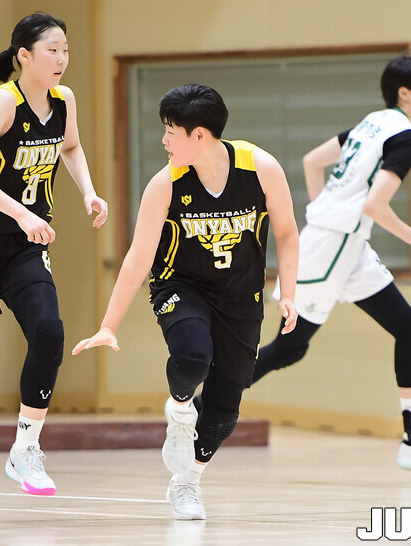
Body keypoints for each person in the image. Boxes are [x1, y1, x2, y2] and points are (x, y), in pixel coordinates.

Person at [197, 52, 411, 471]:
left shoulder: (371, 123)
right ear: (405, 93)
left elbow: (312, 161)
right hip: (332, 246)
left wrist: (324, 208)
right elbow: (376, 205)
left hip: (346, 243)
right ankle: (197, 404)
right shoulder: (405, 137)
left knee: (410, 326)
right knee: (289, 348)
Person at [72, 83, 299, 520]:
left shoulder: (261, 168)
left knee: (225, 410)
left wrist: (288, 293)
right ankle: (179, 411)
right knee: (193, 355)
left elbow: (288, 234)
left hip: (241, 296)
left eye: (170, 131)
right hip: (181, 286)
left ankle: (187, 482)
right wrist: (108, 325)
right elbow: (138, 259)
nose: (163, 140)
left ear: (199, 135)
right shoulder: (165, 184)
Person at [0, 12, 108, 520]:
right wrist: (21, 213)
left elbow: (71, 147)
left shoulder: (64, 100)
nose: (62, 58)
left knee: (49, 333)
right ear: (24, 56)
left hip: (25, 245)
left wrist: (89, 191)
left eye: (66, 49)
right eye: (52, 49)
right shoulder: (1, 103)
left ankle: (26, 447)